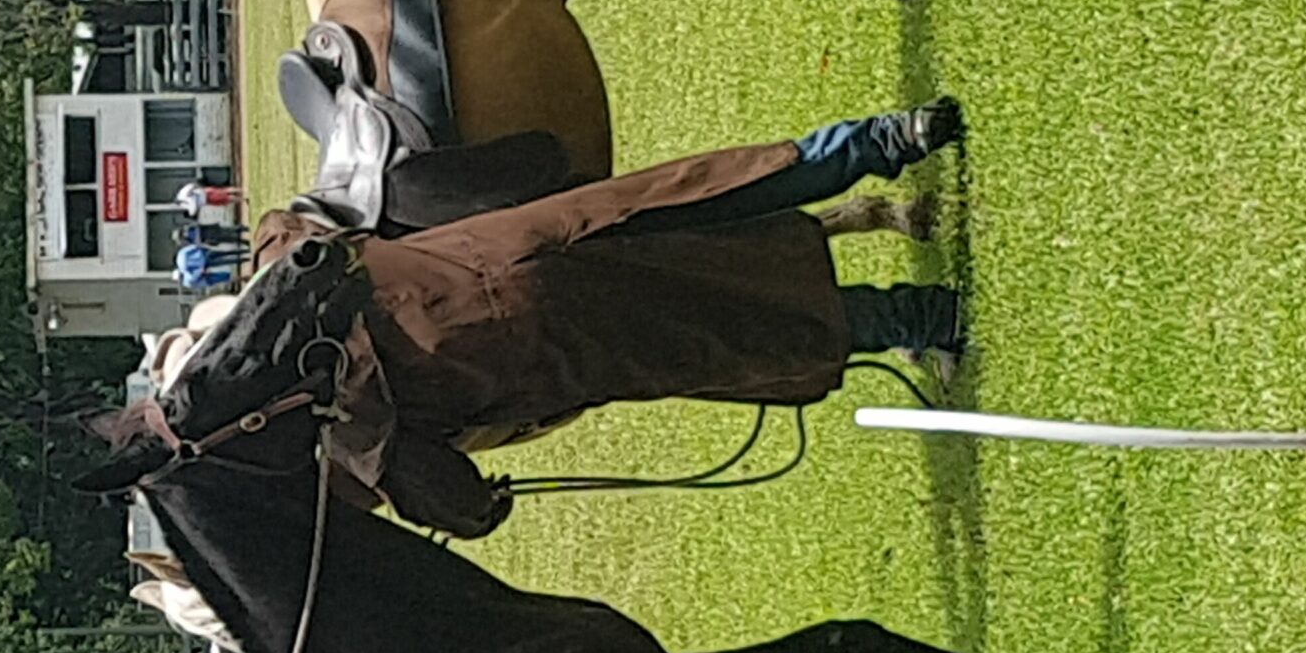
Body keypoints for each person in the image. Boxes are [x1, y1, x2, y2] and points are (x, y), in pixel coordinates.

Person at [246, 102, 968, 536]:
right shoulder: (287, 295)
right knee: (715, 194)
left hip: (570, 345)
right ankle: (891, 137)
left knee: (747, 328)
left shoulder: (352, 441)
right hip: (536, 233)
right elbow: (285, 227)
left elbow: (455, 498)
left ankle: (924, 315)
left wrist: (479, 512)